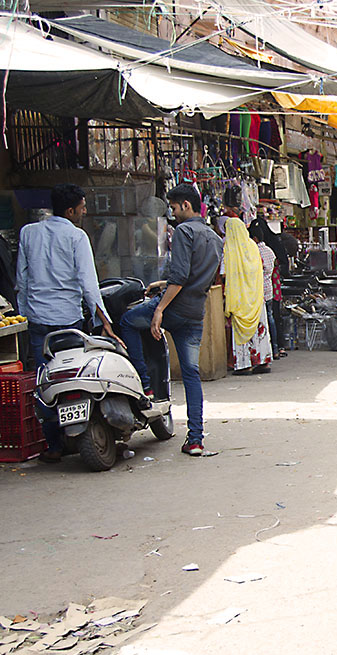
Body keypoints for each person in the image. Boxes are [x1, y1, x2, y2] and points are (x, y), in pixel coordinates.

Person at [17, 184, 123, 463]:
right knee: (77, 376)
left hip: (38, 320)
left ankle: (53, 445)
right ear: (71, 210)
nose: (85, 211)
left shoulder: (28, 233)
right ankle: (81, 433)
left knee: (45, 381)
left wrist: (25, 314)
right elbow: (89, 284)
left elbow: (22, 280)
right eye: (83, 206)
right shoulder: (77, 237)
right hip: (69, 321)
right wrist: (104, 321)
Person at [119, 183, 222, 456]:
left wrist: (160, 309)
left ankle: (146, 385)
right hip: (195, 312)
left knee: (128, 321)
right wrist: (164, 284)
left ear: (186, 205)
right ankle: (196, 439)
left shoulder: (184, 231)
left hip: (176, 308)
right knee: (191, 374)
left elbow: (179, 276)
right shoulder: (215, 238)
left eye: (174, 208)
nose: (173, 213)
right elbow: (196, 277)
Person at [221, 187, 273, 375]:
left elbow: (224, 273)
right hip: (256, 298)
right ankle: (263, 362)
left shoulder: (230, 250)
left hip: (241, 300)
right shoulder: (252, 246)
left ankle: (245, 364)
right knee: (260, 330)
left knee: (242, 332)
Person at [251, 221, 280, 361]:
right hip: (269, 289)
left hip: (258, 291)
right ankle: (274, 349)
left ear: (254, 239)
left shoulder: (254, 251)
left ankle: (263, 351)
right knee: (271, 320)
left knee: (262, 323)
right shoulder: (270, 251)